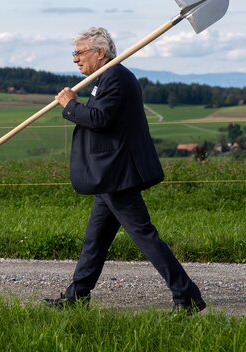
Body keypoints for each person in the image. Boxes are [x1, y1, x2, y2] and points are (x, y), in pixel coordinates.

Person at [45, 26, 206, 314]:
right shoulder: (105, 77)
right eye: (74, 53)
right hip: (108, 176)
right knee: (95, 241)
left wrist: (70, 106)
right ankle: (76, 296)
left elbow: (99, 119)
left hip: (117, 175)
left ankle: (187, 297)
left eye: (79, 53)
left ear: (100, 53)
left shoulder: (115, 78)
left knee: (145, 236)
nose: (75, 59)